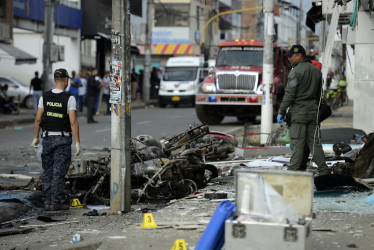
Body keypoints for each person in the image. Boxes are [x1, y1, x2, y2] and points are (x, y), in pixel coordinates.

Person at [31, 68, 81, 211]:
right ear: (66, 80)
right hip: (63, 139)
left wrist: (35, 137)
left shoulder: (44, 97)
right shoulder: (69, 98)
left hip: (47, 139)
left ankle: (47, 202)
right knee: (59, 172)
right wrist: (77, 142)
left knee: (47, 171)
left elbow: (38, 119)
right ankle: (56, 202)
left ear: (54, 80)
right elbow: (73, 122)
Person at [277, 45, 329, 175]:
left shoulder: (295, 72)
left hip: (299, 114)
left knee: (297, 145)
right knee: (315, 144)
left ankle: (292, 173)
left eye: (291, 56)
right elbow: (319, 95)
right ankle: (323, 171)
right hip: (313, 113)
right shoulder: (317, 72)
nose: (289, 59)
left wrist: (281, 111)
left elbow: (289, 94)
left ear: (299, 55)